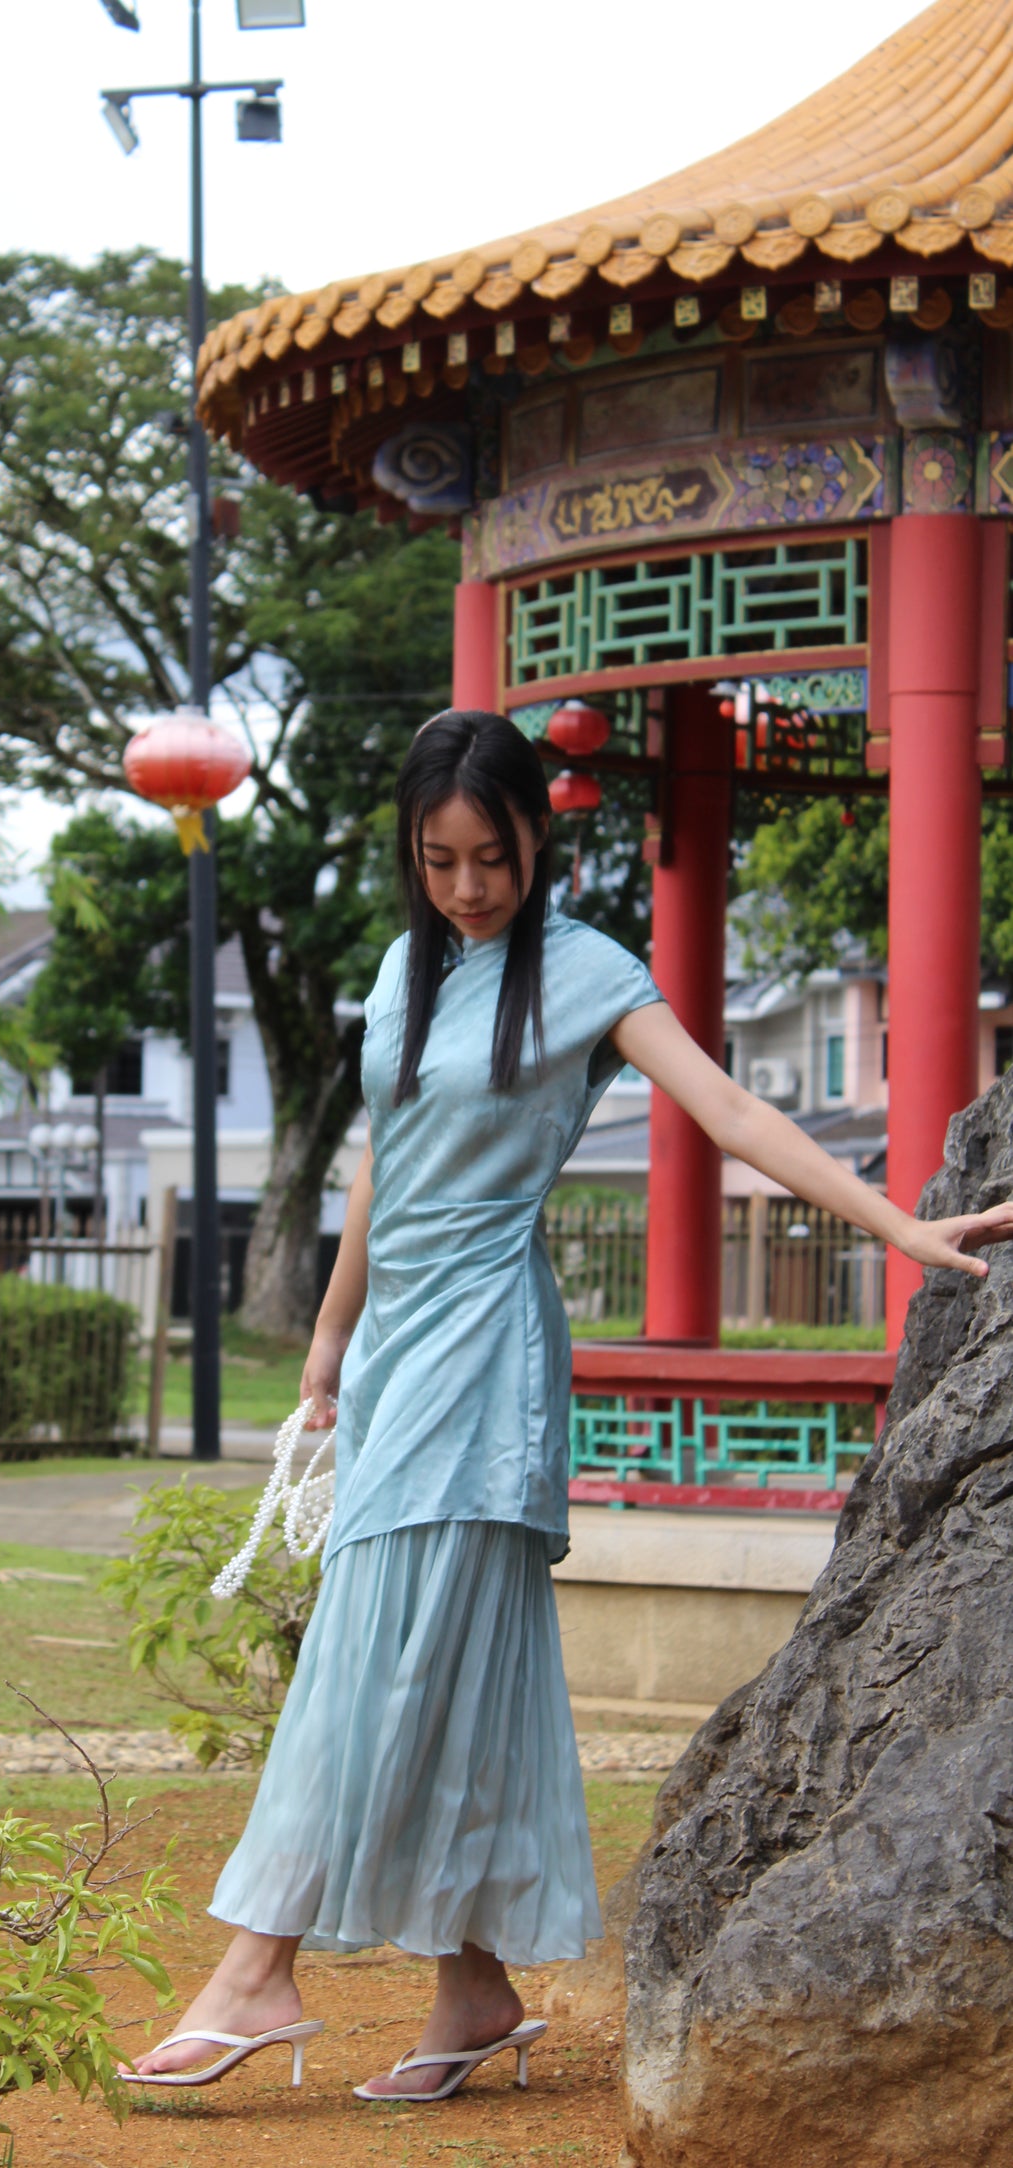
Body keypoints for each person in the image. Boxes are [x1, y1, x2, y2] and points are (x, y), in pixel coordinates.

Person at [123, 708, 1013, 2102]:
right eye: (437, 860)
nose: (466, 886)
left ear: (539, 834)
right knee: (452, 1662)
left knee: (376, 1651)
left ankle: (257, 1964)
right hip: (395, 1350)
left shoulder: (587, 972)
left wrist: (897, 1228)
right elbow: (378, 1165)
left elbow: (730, 1113)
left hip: (486, 1352)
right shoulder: (408, 971)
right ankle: (472, 1991)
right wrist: (327, 1344)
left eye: (489, 855)